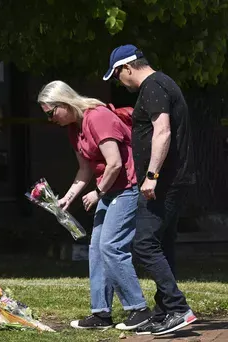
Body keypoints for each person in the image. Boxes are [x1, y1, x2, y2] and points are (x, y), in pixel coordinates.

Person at [38, 81, 151, 330]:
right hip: (109, 191)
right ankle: (101, 314)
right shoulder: (73, 128)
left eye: (50, 112)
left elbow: (115, 163)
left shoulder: (96, 117)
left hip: (126, 189)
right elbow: (85, 168)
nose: (50, 119)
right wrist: (68, 197)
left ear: (65, 103)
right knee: (97, 249)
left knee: (111, 247)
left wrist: (97, 193)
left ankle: (139, 310)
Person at [103, 44, 197, 335]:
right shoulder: (162, 83)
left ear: (126, 68)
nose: (120, 82)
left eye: (117, 76)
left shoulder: (153, 86)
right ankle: (166, 310)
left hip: (164, 182)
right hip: (173, 180)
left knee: (144, 243)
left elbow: (163, 130)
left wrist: (152, 176)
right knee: (163, 243)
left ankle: (178, 308)